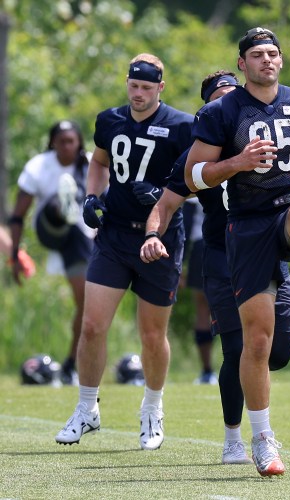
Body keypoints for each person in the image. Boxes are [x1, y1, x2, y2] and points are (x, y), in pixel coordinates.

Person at [183, 29, 290, 476]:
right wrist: (237, 163)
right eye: (257, 54)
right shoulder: (221, 111)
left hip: (287, 214)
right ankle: (261, 438)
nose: (267, 60)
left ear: (281, 60)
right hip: (246, 227)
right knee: (257, 342)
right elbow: (192, 176)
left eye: (273, 53)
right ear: (241, 63)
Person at [54, 53, 194, 451]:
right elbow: (98, 162)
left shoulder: (182, 126)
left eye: (147, 88)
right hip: (115, 236)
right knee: (93, 326)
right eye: (134, 86)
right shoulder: (109, 120)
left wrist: (167, 196)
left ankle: (152, 407)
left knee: (152, 335)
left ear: (160, 88)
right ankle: (86, 408)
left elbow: (193, 179)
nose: (138, 94)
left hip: (160, 239)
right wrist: (92, 196)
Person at [8, 120, 93, 385]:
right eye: (61, 141)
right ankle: (62, 205)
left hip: (79, 238)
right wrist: (14, 255)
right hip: (49, 229)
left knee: (86, 301)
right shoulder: (39, 166)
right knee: (57, 205)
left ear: (79, 142)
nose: (67, 146)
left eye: (72, 141)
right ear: (52, 143)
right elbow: (18, 215)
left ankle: (71, 364)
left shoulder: (91, 163)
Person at [181, 198, 218, 385]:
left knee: (203, 310)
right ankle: (235, 365)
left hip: (200, 247)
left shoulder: (197, 175)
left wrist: (179, 264)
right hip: (228, 242)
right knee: (234, 309)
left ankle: (207, 371)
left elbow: (186, 225)